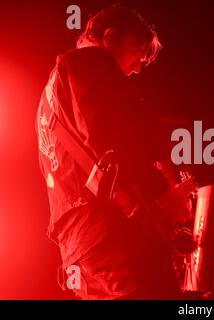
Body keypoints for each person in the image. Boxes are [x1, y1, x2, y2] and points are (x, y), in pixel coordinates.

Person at [36, 5, 183, 299]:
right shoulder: (89, 60)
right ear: (110, 37)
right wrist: (165, 185)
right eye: (137, 50)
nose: (138, 66)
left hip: (77, 243)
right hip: (113, 231)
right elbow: (108, 142)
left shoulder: (47, 100)